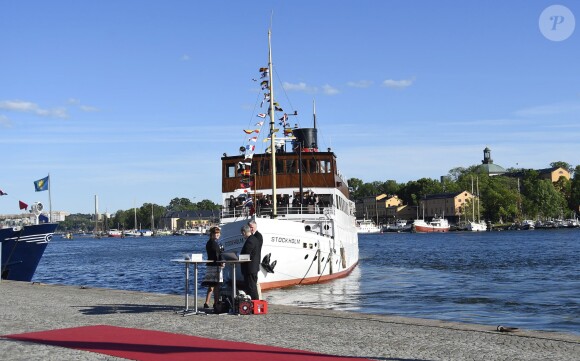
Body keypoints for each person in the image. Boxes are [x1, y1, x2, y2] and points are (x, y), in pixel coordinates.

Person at [202, 226, 223, 309]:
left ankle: (207, 302)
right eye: (216, 233)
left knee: (211, 285)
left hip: (210, 265)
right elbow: (217, 255)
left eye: (218, 233)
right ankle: (216, 302)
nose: (217, 235)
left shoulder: (209, 242)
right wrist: (221, 262)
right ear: (212, 234)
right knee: (216, 285)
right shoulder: (214, 243)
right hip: (215, 266)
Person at [240, 224, 261, 300]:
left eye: (242, 234)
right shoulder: (254, 239)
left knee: (251, 287)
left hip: (250, 268)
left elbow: (246, 254)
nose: (243, 235)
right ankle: (253, 303)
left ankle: (255, 302)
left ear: (244, 232)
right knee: (252, 286)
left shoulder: (250, 241)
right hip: (253, 268)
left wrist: (238, 258)